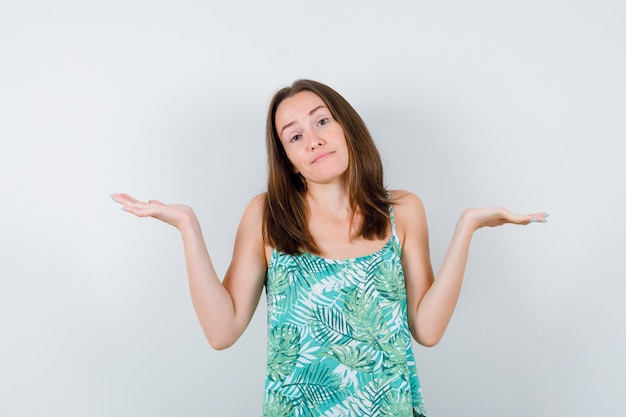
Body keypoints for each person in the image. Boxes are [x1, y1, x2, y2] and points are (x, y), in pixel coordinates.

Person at [111, 79, 547, 417]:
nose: (314, 139)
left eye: (321, 121)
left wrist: (467, 227)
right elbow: (221, 331)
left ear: (345, 126)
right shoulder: (267, 216)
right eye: (294, 136)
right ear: (287, 158)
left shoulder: (404, 211)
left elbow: (427, 330)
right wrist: (188, 226)